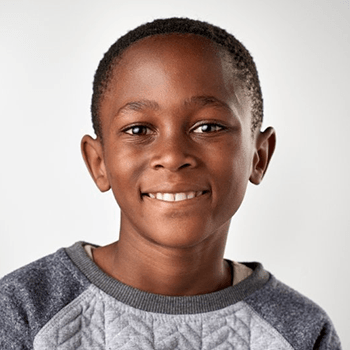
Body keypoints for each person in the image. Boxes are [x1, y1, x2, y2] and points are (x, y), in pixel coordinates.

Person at [0, 17, 342, 349]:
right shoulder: (24, 311)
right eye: (139, 130)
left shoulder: (301, 332)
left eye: (208, 127)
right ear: (98, 162)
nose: (173, 155)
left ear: (259, 156)